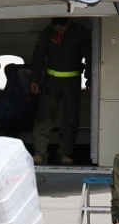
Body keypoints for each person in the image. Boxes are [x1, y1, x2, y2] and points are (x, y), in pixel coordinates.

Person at [30, 17, 92, 165]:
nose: (58, 29)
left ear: (69, 22)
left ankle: (64, 154)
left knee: (70, 119)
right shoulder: (47, 32)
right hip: (51, 81)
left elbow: (90, 57)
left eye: (61, 27)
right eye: (56, 27)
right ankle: (39, 153)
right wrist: (34, 79)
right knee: (44, 117)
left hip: (72, 82)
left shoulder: (79, 32)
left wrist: (90, 79)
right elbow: (38, 57)